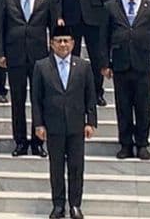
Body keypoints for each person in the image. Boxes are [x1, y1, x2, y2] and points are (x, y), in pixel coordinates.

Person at [0, 0, 59, 158]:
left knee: (40, 100)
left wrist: (54, 56)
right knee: (18, 101)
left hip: (40, 58)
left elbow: (54, 29)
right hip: (15, 56)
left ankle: (38, 141)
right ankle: (21, 141)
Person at [32, 25, 97, 219]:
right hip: (53, 126)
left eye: (66, 41)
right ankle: (58, 204)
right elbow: (36, 98)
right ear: (51, 44)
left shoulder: (83, 66)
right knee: (56, 167)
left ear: (73, 43)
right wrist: (38, 124)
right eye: (58, 41)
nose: (62, 44)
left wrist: (90, 121)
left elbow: (90, 96)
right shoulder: (42, 66)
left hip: (77, 125)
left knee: (77, 167)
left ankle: (75, 205)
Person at [100, 0, 150, 161]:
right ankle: (126, 144)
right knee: (123, 107)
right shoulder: (111, 7)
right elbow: (103, 38)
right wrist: (105, 63)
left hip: (143, 65)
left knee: (143, 107)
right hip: (120, 65)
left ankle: (142, 144)